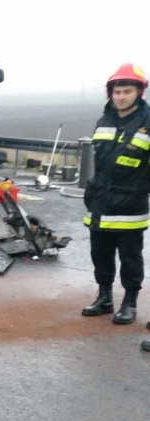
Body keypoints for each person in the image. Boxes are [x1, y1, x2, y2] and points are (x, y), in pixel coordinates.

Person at [81, 63, 150, 351]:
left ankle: (130, 302)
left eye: (127, 91)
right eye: (117, 91)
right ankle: (105, 297)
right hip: (100, 202)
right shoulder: (104, 121)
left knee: (130, 256)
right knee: (100, 253)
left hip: (131, 203)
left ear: (139, 93)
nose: (120, 96)